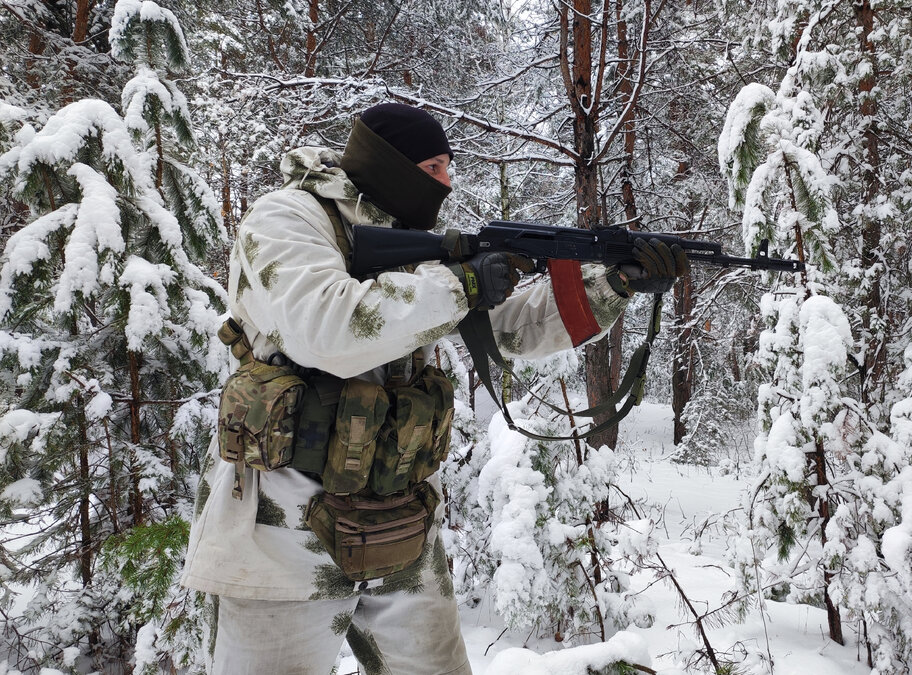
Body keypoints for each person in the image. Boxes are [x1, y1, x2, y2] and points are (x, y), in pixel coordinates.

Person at [181, 103, 687, 675]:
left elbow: (511, 330)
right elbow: (326, 328)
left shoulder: (411, 240)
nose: (445, 183)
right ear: (388, 163)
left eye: (448, 167)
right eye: (433, 167)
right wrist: (461, 286)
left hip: (402, 515)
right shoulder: (286, 219)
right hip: (282, 529)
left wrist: (615, 283)